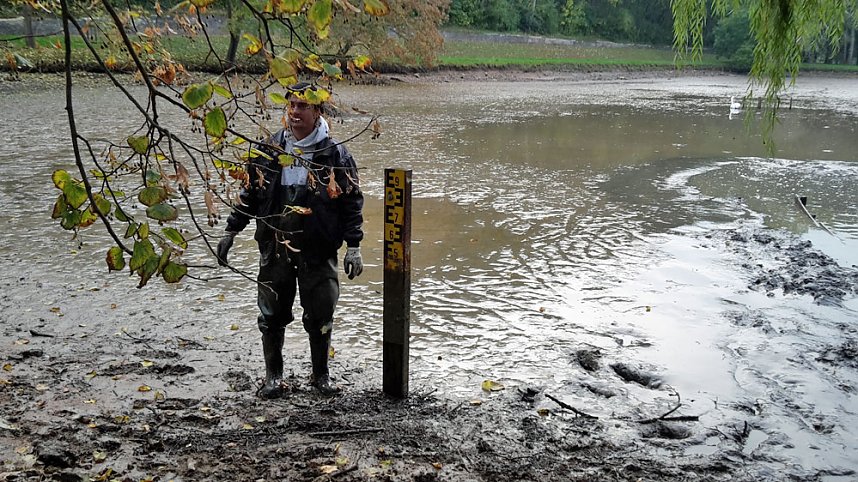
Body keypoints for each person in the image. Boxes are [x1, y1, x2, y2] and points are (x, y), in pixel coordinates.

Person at [216, 82, 364, 398]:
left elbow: (352, 201)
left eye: (303, 106)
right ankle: (274, 377)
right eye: (291, 105)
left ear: (318, 111)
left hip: (318, 248)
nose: (295, 112)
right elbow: (250, 194)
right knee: (270, 313)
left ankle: (320, 377)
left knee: (322, 313)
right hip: (274, 244)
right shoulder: (269, 149)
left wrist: (354, 246)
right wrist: (231, 230)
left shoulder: (336, 154)